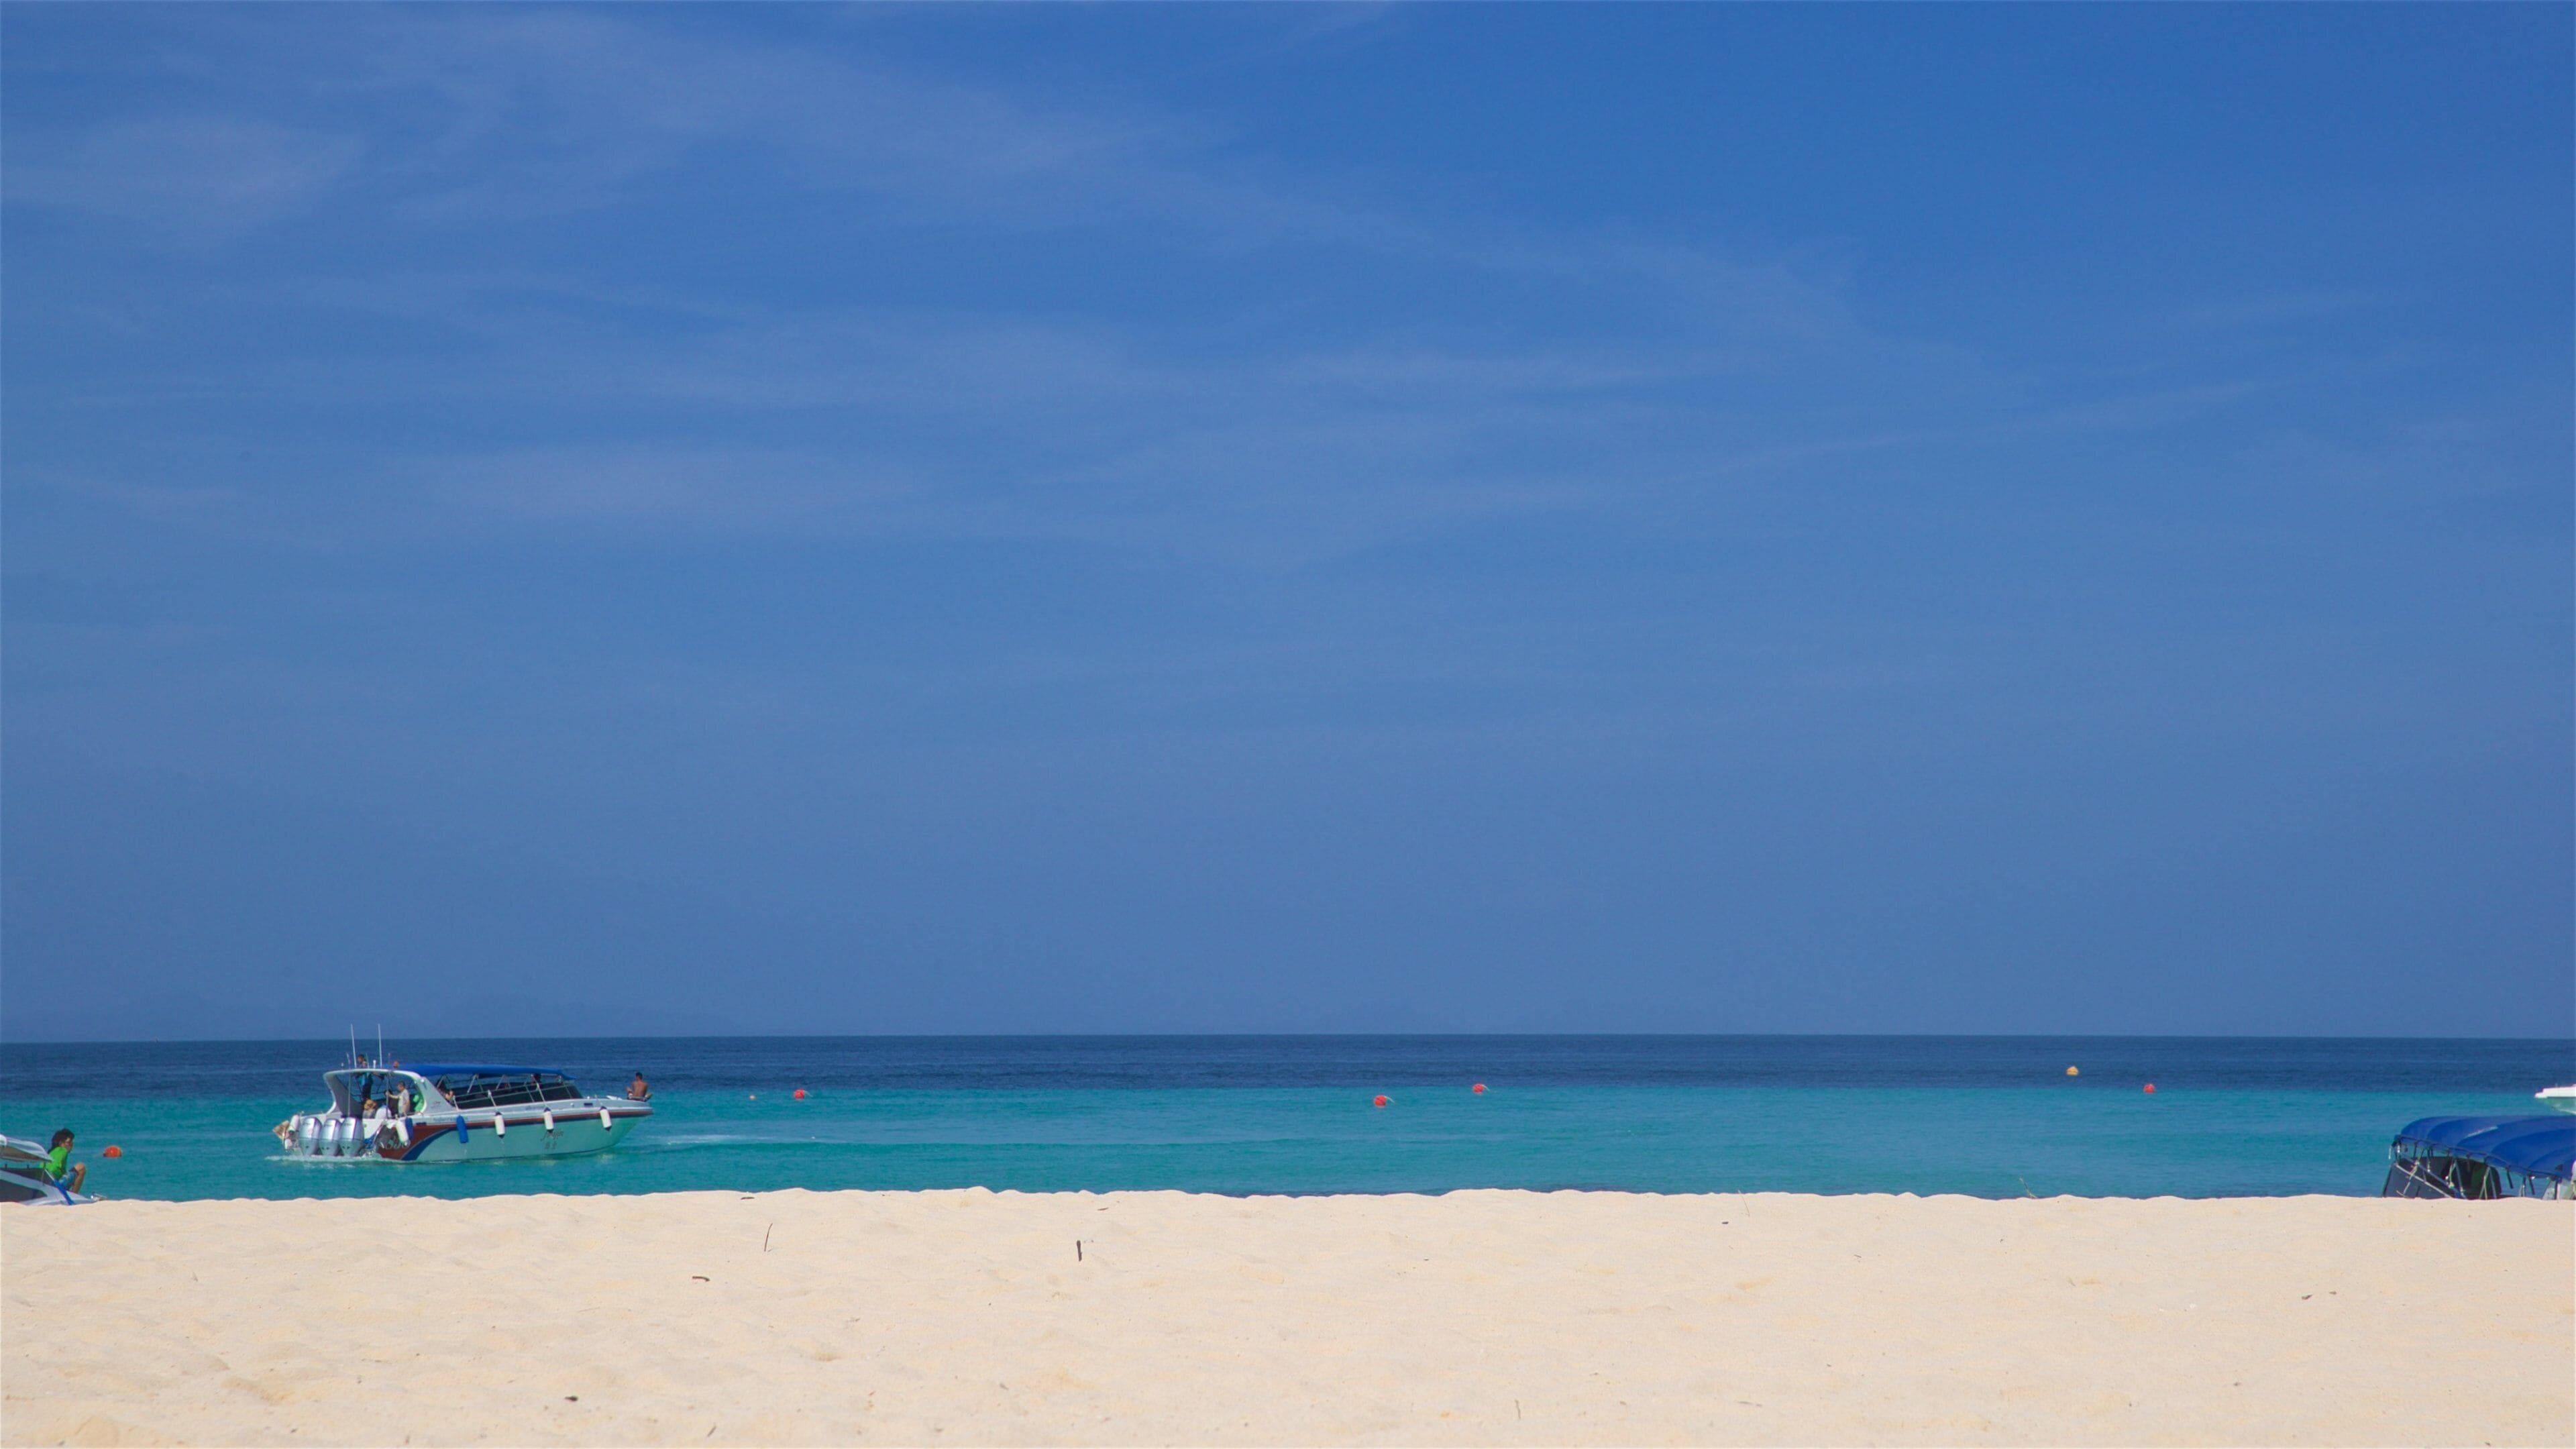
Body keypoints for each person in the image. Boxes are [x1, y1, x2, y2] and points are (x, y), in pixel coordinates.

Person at [44, 1129, 85, 1195]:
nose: (72, 1144)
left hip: (44, 1184)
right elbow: (54, 1170)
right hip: (54, 1185)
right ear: (61, 1143)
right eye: (69, 1142)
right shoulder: (63, 1150)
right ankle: (74, 1195)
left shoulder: (50, 1153)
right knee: (81, 1167)